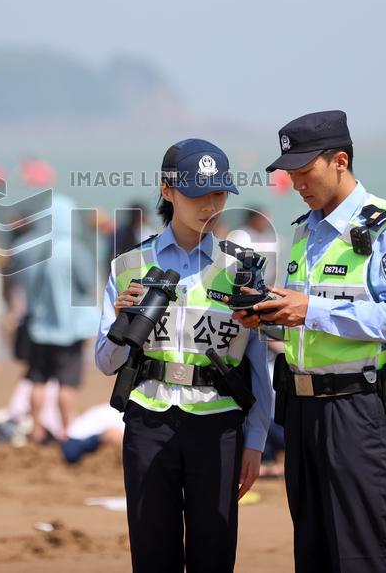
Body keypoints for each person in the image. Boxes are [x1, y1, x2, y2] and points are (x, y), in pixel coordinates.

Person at [235, 111, 386, 573]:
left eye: (306, 172)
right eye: (291, 173)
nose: (297, 183)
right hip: (301, 413)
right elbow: (308, 324)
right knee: (315, 552)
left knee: (364, 555)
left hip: (359, 411)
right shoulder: (305, 232)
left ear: (340, 160)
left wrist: (310, 308)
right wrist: (266, 317)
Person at [96, 139, 272, 572]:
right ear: (168, 190)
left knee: (214, 555)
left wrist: (255, 441)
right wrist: (123, 323)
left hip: (219, 427)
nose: (210, 205)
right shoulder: (128, 266)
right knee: (153, 554)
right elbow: (104, 362)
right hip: (147, 422)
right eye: (197, 193)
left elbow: (258, 366)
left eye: (219, 193)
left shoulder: (241, 271)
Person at [15, 195, 99, 445]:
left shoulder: (26, 248)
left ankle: (37, 429)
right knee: (66, 383)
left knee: (37, 379)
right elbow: (88, 283)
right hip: (69, 329)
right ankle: (67, 429)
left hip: (37, 326)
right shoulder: (73, 249)